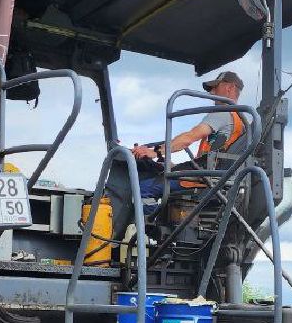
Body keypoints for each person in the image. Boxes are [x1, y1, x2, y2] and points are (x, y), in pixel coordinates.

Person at [105, 71, 249, 238]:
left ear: (230, 88)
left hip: (204, 178)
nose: (211, 93)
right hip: (208, 174)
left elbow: (189, 137)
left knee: (143, 189)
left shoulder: (223, 112)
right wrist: (169, 163)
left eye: (215, 87)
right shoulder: (240, 119)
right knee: (162, 171)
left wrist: (155, 152)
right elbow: (208, 157)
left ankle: (155, 235)